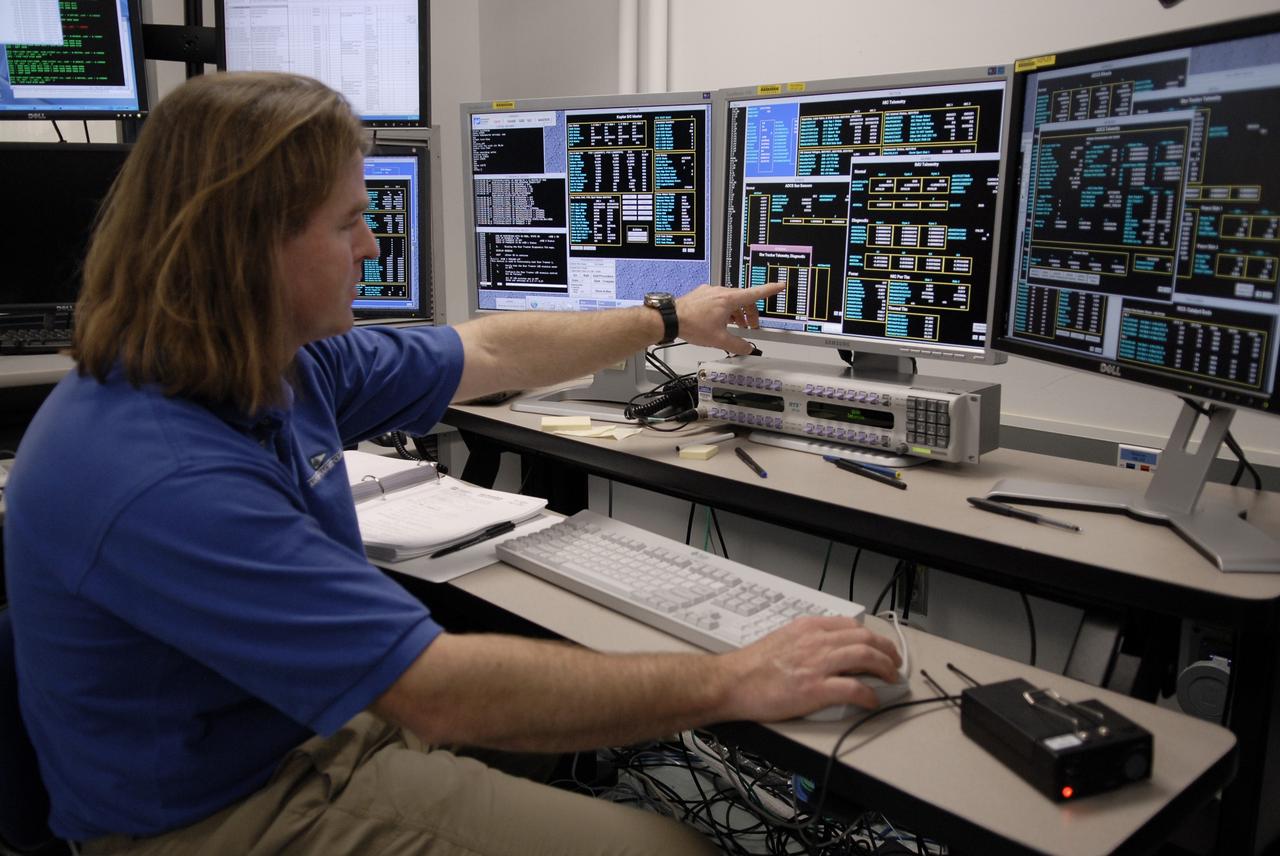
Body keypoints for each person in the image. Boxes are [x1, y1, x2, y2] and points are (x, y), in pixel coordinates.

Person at [3, 72, 902, 856]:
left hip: (305, 730)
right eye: (350, 221)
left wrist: (667, 319)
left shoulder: (269, 363)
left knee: (579, 740)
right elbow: (435, 694)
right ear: (248, 245)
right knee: (666, 844)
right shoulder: (160, 471)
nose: (372, 246)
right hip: (220, 817)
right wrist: (734, 680)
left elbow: (491, 355)